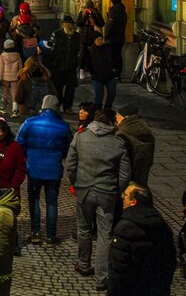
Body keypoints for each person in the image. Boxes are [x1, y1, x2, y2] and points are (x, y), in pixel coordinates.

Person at [65, 108, 131, 291]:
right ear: (111, 123)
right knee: (105, 235)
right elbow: (125, 174)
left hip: (84, 190)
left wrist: (76, 184)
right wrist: (116, 191)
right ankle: (102, 276)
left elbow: (70, 166)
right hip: (106, 193)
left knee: (84, 229)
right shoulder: (118, 143)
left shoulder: (80, 137)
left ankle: (83, 264)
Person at [17, 95, 73, 245]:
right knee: (52, 202)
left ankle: (35, 232)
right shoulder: (64, 126)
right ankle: (50, 235)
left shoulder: (30, 123)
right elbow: (68, 149)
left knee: (33, 199)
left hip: (34, 168)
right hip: (54, 170)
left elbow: (19, 144)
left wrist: (28, 157)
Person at [107, 185, 176, 296]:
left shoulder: (124, 229)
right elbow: (169, 262)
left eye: (125, 196)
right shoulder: (162, 226)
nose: (122, 198)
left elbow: (117, 269)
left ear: (133, 202)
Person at [113, 103, 155, 187]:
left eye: (118, 115)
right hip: (143, 169)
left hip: (130, 170)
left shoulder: (122, 133)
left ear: (126, 117)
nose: (116, 118)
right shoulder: (144, 128)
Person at [48, 15, 82, 114]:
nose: (69, 26)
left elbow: (79, 50)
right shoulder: (57, 34)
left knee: (70, 89)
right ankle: (57, 106)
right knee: (58, 87)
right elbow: (52, 49)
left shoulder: (76, 35)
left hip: (71, 66)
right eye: (67, 24)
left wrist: (77, 62)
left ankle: (68, 107)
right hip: (59, 66)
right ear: (63, 24)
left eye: (71, 24)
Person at [87, 36, 117, 109]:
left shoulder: (108, 48)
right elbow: (88, 63)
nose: (100, 41)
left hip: (110, 74)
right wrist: (92, 72)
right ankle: (98, 110)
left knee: (112, 93)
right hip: (97, 76)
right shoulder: (91, 49)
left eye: (101, 39)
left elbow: (114, 58)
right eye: (98, 40)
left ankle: (107, 108)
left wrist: (114, 69)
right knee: (99, 95)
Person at [0, 38, 22, 116]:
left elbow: (0, 68)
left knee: (5, 92)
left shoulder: (3, 55)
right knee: (14, 92)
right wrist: (20, 75)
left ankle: (3, 107)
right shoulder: (17, 54)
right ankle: (15, 109)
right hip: (15, 76)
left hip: (5, 77)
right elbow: (20, 65)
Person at [105, 0, 128, 80]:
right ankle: (118, 73)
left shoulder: (114, 12)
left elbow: (110, 26)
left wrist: (106, 35)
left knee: (112, 55)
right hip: (120, 37)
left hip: (112, 38)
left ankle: (113, 72)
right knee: (118, 55)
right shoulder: (123, 12)